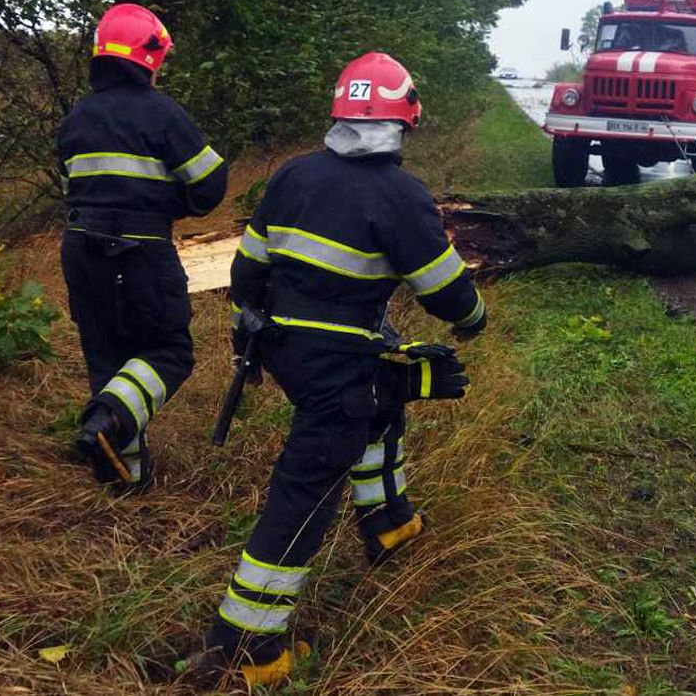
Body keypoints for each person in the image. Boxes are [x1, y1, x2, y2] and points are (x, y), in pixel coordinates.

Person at [179, 52, 486, 688]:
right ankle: (248, 647)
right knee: (307, 488)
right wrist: (474, 319)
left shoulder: (293, 175)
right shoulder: (401, 195)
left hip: (283, 347)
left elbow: (247, 268)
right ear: (405, 120)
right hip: (335, 363)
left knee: (383, 398)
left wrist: (245, 334)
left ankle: (388, 523)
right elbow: (447, 292)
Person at [59, 3, 227, 493]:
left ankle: (124, 478)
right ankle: (108, 416)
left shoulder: (76, 118)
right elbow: (211, 183)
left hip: (80, 250)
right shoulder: (162, 113)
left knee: (107, 359)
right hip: (141, 252)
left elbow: (74, 186)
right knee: (169, 352)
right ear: (149, 56)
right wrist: (171, 204)